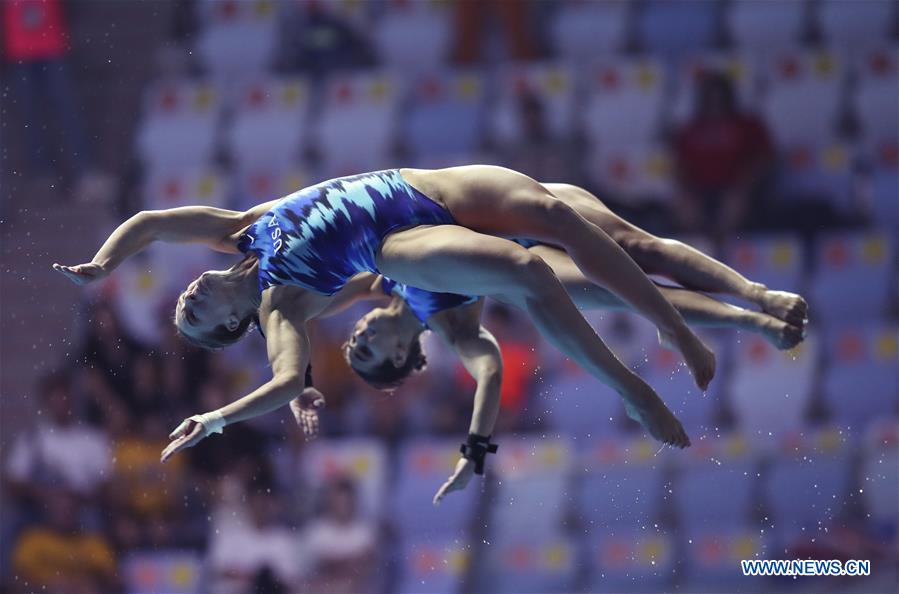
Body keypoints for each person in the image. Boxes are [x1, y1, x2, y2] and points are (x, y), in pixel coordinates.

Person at [56, 166, 735, 461]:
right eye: (198, 316)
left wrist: (104, 263)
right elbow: (290, 381)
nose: (190, 297)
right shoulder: (280, 308)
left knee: (562, 219)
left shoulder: (237, 228)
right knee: (529, 273)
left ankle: (689, 322)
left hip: (420, 189)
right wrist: (216, 418)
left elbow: (148, 222)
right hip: (405, 246)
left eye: (185, 302)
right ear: (235, 324)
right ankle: (638, 388)